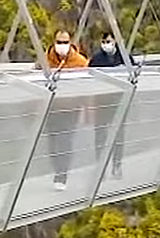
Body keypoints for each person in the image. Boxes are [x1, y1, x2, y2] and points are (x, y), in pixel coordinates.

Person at [43, 30, 88, 191]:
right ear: (54, 42)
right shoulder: (45, 61)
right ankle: (57, 169)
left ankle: (62, 175)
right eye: (59, 42)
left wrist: (85, 110)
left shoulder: (80, 62)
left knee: (65, 142)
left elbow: (87, 88)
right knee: (52, 143)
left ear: (70, 43)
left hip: (71, 109)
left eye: (65, 42)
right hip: (51, 109)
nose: (62, 46)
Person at [88, 32, 133, 180]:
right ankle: (100, 167)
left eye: (109, 41)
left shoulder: (125, 57)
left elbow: (133, 75)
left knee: (118, 135)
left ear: (115, 42)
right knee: (100, 135)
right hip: (102, 102)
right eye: (104, 41)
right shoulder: (97, 59)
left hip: (120, 100)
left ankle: (117, 164)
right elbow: (88, 76)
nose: (106, 44)